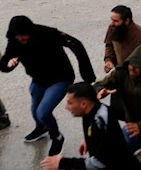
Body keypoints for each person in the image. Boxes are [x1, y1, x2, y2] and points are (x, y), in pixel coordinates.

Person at [0, 16, 96, 156]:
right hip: (38, 80)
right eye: (18, 37)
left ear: (30, 31)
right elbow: (5, 61)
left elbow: (76, 44)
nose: (22, 39)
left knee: (43, 112)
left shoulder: (48, 33)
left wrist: (87, 76)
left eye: (24, 35)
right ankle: (41, 128)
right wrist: (8, 65)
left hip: (60, 78)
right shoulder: (15, 41)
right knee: (34, 109)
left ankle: (57, 137)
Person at [40, 82, 141, 170]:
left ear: (83, 104)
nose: (66, 107)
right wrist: (88, 139)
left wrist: (62, 163)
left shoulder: (100, 121)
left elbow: (100, 163)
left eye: (70, 103)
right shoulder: (91, 110)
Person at [104, 5, 141, 73]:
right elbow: (109, 45)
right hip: (121, 75)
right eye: (111, 20)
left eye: (115, 21)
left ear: (126, 21)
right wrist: (109, 60)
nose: (111, 23)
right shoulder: (113, 28)